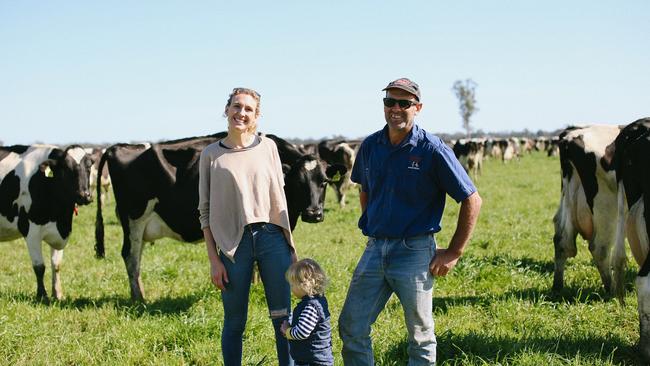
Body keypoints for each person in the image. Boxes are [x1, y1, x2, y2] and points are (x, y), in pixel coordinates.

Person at [338, 78, 482, 365]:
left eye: (404, 103)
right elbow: (365, 190)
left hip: (415, 251)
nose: (396, 108)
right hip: (375, 249)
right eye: (390, 101)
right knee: (351, 326)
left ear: (418, 107)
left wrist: (454, 252)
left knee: (420, 335)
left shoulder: (432, 149)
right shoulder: (370, 146)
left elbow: (472, 199)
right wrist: (370, 222)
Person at [198, 87, 297, 366]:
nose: (241, 113)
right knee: (234, 322)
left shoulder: (269, 148)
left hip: (272, 238)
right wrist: (213, 259)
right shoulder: (211, 155)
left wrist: (291, 247)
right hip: (233, 244)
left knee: (283, 319)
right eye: (236, 106)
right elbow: (204, 211)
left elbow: (280, 200)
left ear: (257, 116)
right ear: (227, 109)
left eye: (248, 109)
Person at [280, 258, 334, 366]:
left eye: (292, 285)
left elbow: (302, 332)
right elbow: (303, 321)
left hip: (313, 361)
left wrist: (287, 331)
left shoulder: (311, 306)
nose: (291, 289)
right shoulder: (316, 302)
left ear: (304, 284)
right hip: (312, 358)